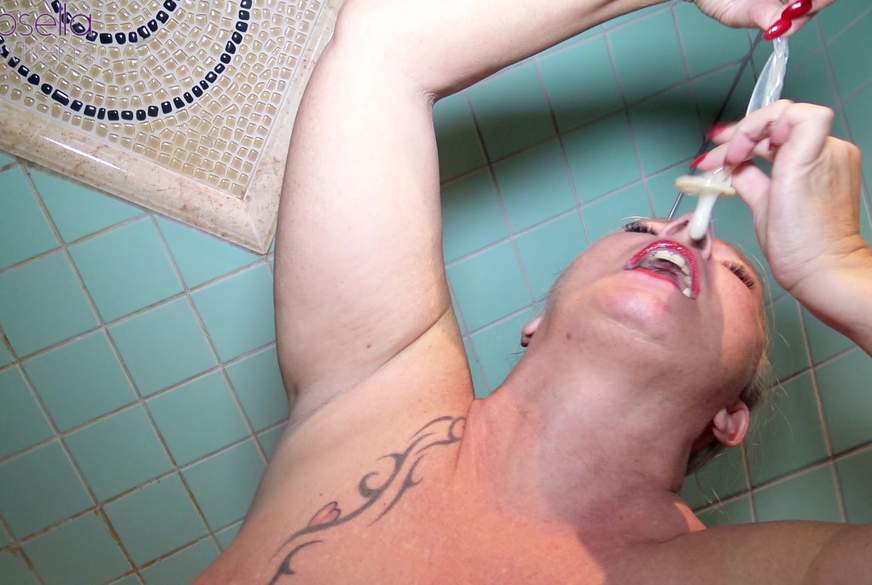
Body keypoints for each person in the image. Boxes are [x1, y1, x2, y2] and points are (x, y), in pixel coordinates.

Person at [195, 0, 872, 583]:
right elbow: (384, 44)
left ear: (729, 419)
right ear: (535, 323)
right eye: (636, 229)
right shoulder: (372, 391)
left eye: (738, 274)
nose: (683, 235)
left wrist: (840, 266)